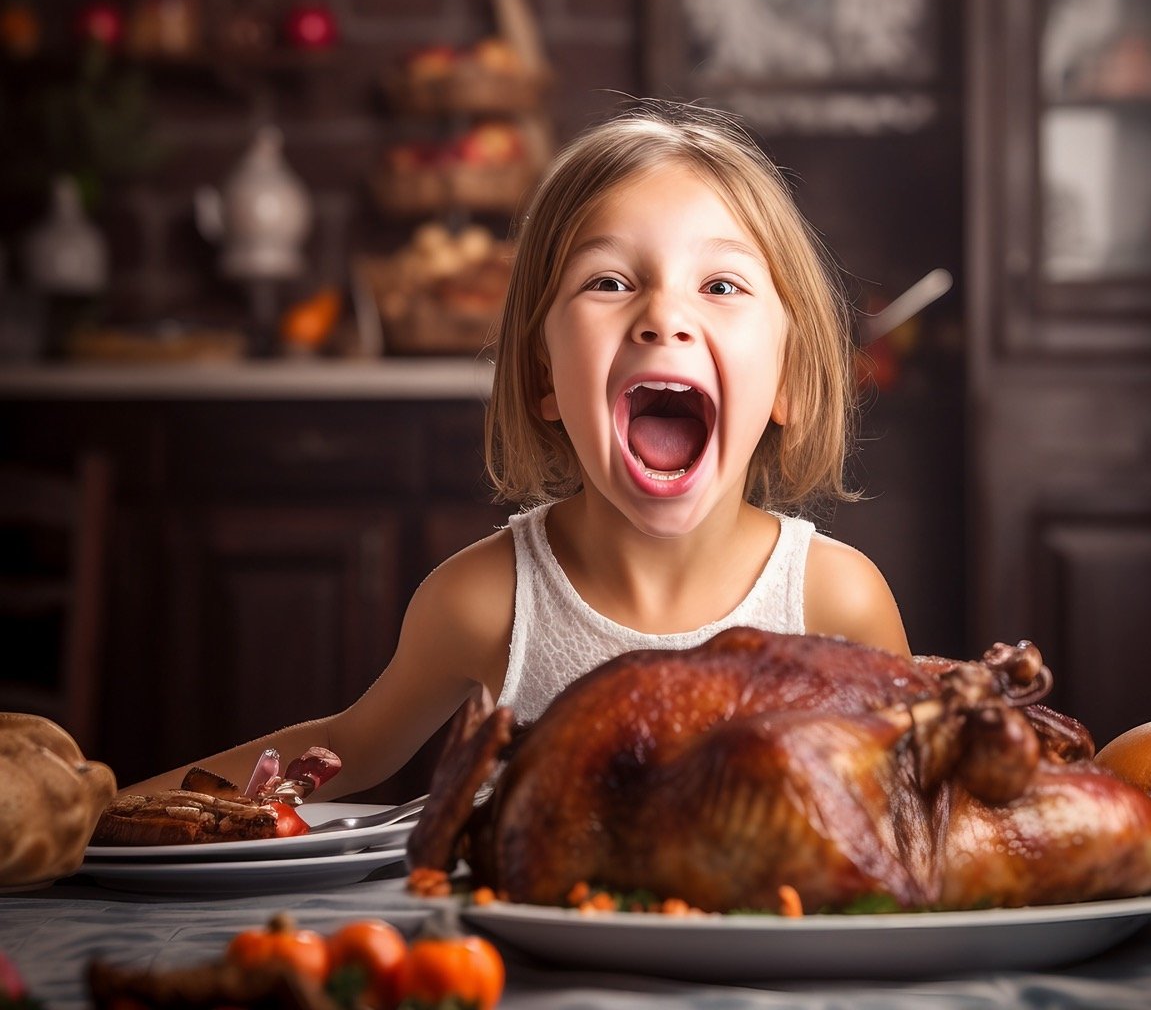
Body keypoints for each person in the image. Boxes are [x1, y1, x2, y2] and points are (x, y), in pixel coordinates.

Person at [131, 101, 908, 800]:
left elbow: (921, 802)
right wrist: (101, 817)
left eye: (722, 287)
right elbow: (350, 747)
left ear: (788, 382)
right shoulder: (482, 601)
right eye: (608, 282)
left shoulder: (837, 604)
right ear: (542, 373)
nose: (662, 316)